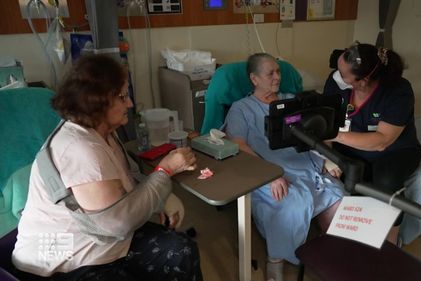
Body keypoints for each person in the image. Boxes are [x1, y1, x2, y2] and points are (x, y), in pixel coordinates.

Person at [12, 54, 203, 281]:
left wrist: (162, 199)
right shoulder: (80, 149)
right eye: (123, 97)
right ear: (98, 101)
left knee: (181, 250)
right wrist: (164, 172)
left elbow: (127, 182)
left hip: (98, 240)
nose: (130, 103)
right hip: (62, 256)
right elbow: (118, 223)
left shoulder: (102, 133)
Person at [223, 53, 344, 281]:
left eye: (278, 71)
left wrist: (326, 156)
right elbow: (238, 145)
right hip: (268, 169)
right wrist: (270, 175)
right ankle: (275, 259)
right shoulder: (242, 108)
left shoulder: (292, 101)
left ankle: (331, 258)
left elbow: (318, 130)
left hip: (306, 165)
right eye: (270, 73)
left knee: (338, 198)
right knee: (289, 205)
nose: (277, 77)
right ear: (254, 79)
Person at [324, 42, 421, 243]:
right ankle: (356, 239)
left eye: (343, 74)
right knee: (349, 181)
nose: (336, 76)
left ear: (362, 80)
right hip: (351, 147)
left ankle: (391, 245)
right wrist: (329, 156)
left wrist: (335, 135)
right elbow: (326, 121)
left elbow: (382, 141)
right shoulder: (336, 83)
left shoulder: (398, 91)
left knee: (386, 183)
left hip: (393, 151)